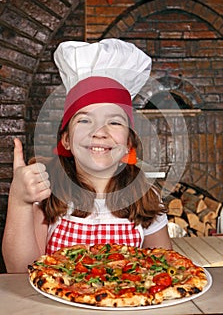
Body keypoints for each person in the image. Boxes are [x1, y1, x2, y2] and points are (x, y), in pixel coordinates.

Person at [2, 39, 172, 273]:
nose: (99, 132)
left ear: (128, 144)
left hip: (126, 306)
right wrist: (19, 201)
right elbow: (21, 271)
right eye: (84, 120)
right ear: (66, 140)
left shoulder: (145, 195)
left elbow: (166, 269)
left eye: (114, 121)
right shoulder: (47, 191)